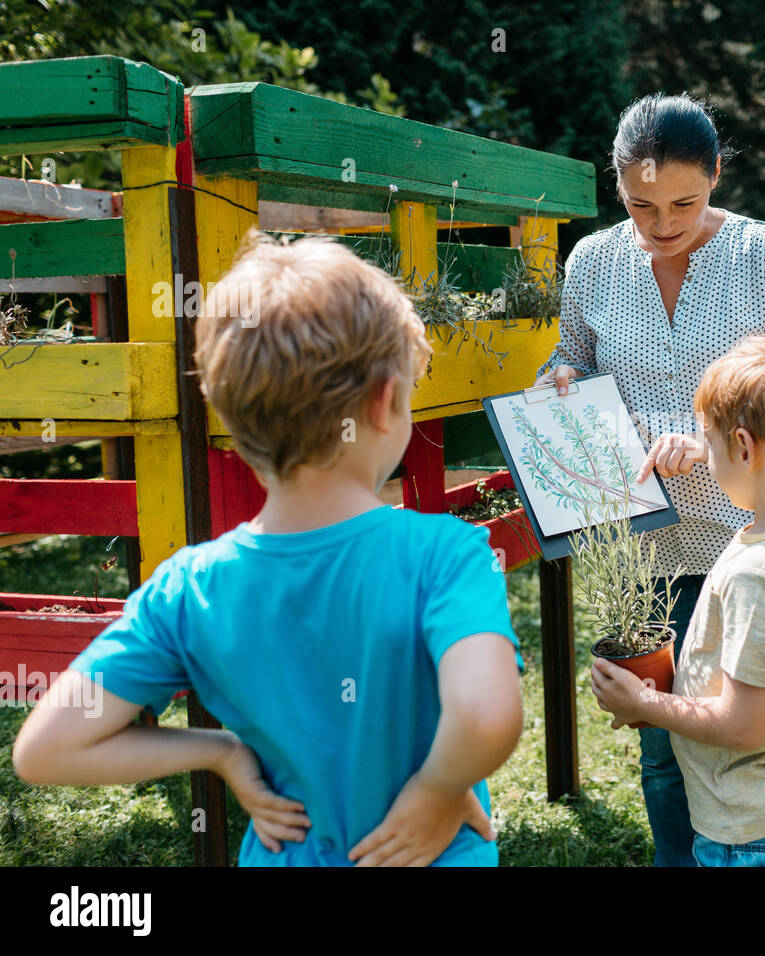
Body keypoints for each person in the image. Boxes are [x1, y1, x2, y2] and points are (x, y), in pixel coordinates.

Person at [12, 231, 525, 867]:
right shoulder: (446, 555)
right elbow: (486, 714)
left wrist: (221, 751)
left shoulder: (187, 588)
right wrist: (438, 789)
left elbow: (45, 751)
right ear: (388, 400)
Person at [532, 91, 765, 866]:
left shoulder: (763, 253)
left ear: (718, 175)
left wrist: (707, 439)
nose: (662, 223)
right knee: (662, 738)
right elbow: (574, 358)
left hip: (745, 536)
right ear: (617, 188)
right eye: (640, 205)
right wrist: (557, 378)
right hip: (643, 542)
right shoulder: (593, 260)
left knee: (742, 728)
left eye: (684, 203)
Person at [590, 330, 765, 866]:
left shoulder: (760, 575)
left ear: (745, 448)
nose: (704, 455)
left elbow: (743, 726)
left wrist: (646, 704)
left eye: (708, 441)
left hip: (752, 833)